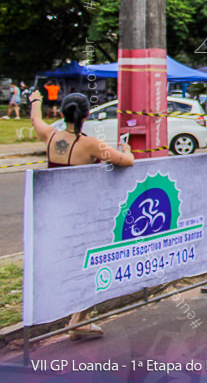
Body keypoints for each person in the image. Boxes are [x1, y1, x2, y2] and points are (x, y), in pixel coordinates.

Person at [29, 89, 133, 340]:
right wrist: (127, 149)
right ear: (86, 116)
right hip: (83, 217)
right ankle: (79, 318)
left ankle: (73, 316)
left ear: (62, 114)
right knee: (90, 266)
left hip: (54, 214)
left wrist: (35, 100)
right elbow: (125, 161)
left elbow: (36, 120)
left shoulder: (50, 136)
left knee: (64, 266)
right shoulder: (90, 144)